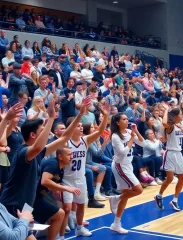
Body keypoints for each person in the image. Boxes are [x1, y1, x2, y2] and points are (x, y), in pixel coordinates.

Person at [59, 99, 110, 238]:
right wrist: (79, 115)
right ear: (71, 127)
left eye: (82, 126)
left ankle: (79, 228)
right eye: (78, 125)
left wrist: (105, 116)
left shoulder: (85, 140)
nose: (81, 127)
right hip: (66, 180)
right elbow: (66, 133)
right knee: (67, 209)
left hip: (80, 178)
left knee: (81, 205)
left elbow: (100, 131)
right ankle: (61, 235)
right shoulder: (65, 141)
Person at [108, 114, 145, 234]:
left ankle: (116, 224)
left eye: (127, 118)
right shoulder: (115, 136)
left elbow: (143, 143)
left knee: (126, 196)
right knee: (138, 189)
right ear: (118, 122)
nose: (127, 120)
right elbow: (123, 152)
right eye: (124, 119)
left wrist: (136, 131)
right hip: (120, 166)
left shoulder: (129, 131)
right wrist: (131, 138)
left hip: (127, 165)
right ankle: (116, 198)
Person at [154, 106, 183, 212]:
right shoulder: (171, 126)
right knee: (170, 178)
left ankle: (175, 200)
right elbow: (164, 123)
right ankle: (159, 195)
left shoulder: (179, 125)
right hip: (170, 153)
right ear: (176, 116)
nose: (182, 115)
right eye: (181, 114)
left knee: (182, 178)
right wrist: (167, 110)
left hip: (179, 153)